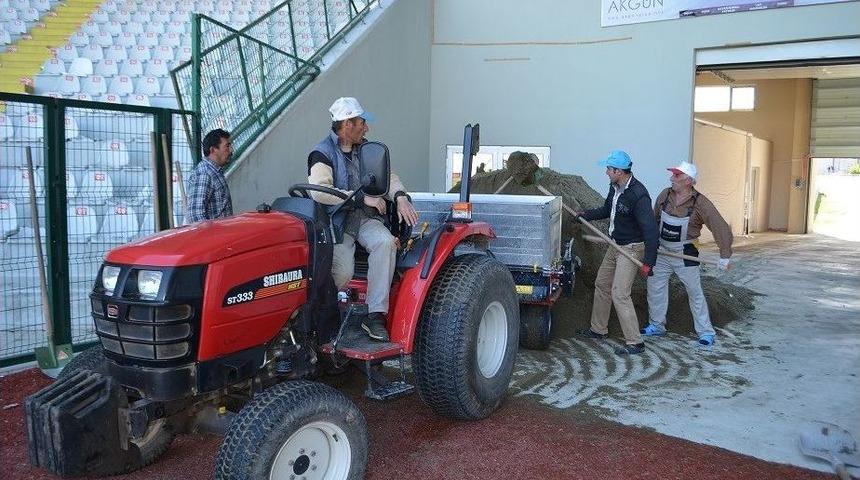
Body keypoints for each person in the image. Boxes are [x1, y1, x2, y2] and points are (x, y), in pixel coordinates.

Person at [307, 97, 418, 342]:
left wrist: (399, 196)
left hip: (365, 220)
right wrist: (359, 199)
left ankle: (375, 315)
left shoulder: (367, 149)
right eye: (362, 122)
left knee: (385, 242)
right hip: (337, 224)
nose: (366, 128)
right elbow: (319, 191)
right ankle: (326, 318)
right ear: (347, 124)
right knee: (342, 272)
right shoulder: (321, 153)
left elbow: (388, 177)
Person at [642, 161, 733, 346]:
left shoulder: (701, 203)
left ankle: (706, 332)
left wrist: (725, 255)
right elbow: (652, 221)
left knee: (694, 292)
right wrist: (649, 247)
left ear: (689, 181)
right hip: (662, 250)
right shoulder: (664, 195)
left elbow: (720, 227)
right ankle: (656, 325)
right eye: (673, 175)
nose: (671, 178)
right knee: (655, 288)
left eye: (677, 176)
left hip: (685, 252)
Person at [577, 150, 658, 355]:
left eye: (609, 169)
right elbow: (606, 210)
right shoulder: (615, 188)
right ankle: (599, 330)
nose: (606, 172)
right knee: (602, 284)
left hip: (631, 249)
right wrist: (584, 215)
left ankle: (635, 342)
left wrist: (649, 261)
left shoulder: (638, 195)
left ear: (619, 171)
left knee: (620, 293)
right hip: (614, 245)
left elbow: (650, 230)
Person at [186, 128, 234, 223]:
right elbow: (195, 215)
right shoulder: (204, 174)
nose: (231, 150)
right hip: (216, 236)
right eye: (227, 146)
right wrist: (213, 236)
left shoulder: (214, 171)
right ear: (213, 150)